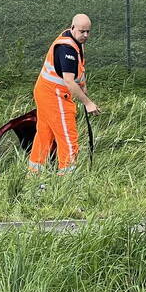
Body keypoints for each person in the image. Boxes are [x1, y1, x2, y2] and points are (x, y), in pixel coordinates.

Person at [28, 13, 99, 175]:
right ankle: (67, 176)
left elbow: (79, 69)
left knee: (44, 134)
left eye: (88, 31)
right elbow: (68, 81)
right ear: (73, 27)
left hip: (44, 92)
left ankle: (33, 172)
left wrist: (83, 85)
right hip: (55, 95)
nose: (86, 35)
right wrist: (87, 103)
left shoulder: (74, 40)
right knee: (68, 136)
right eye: (82, 31)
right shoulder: (66, 49)